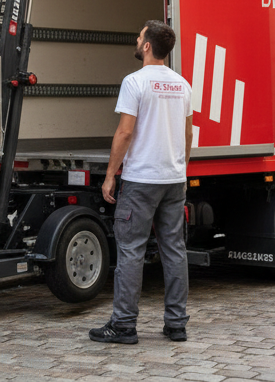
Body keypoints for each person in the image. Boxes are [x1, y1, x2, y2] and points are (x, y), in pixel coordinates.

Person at [89, 20, 193, 346]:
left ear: (147, 46)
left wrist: (110, 174)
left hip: (141, 180)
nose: (136, 40)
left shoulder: (135, 82)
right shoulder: (182, 84)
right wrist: (181, 168)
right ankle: (176, 324)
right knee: (174, 251)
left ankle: (123, 325)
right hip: (173, 179)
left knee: (131, 250)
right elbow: (188, 133)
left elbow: (125, 132)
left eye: (139, 37)